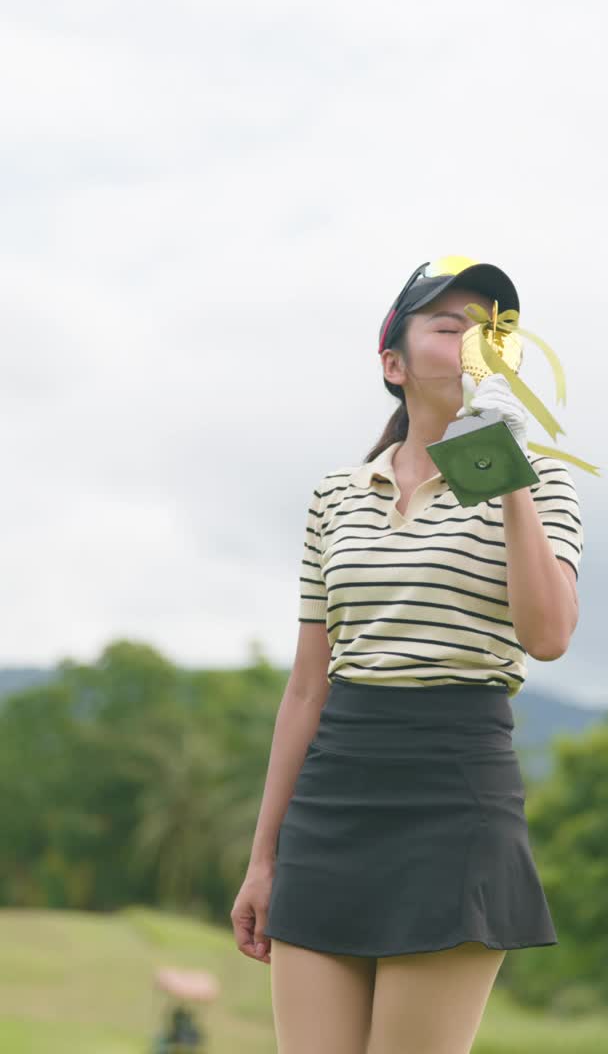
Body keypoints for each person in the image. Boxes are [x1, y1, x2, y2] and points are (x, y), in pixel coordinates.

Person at [230, 257, 584, 1054]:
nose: (473, 345)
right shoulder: (336, 495)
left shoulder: (545, 482)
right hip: (334, 800)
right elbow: (305, 689)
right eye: (450, 326)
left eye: (492, 331)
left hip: (456, 794)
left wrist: (499, 463)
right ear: (393, 364)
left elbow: (549, 636)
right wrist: (264, 858)